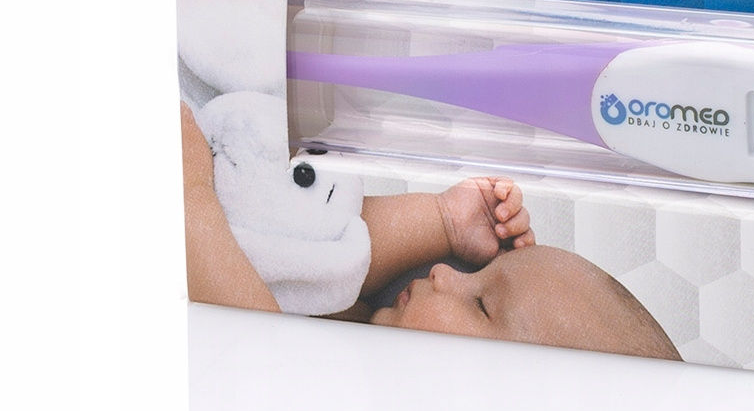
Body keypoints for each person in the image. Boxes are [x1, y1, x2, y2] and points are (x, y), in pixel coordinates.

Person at [180, 102, 679, 360]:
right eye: (479, 273)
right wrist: (444, 222)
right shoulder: (383, 349)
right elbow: (322, 265)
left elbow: (253, 349)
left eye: (481, 304)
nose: (444, 272)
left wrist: (188, 190)